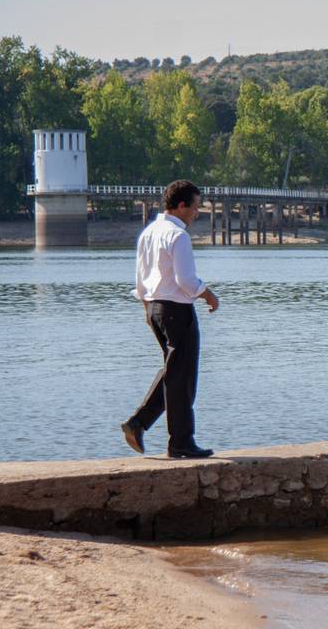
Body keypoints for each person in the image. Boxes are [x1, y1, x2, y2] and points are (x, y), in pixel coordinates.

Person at [121, 180, 219, 458]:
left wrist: (146, 311)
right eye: (196, 207)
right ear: (181, 206)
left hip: (154, 309)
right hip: (177, 310)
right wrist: (208, 293)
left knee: (174, 372)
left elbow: (140, 280)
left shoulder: (149, 233)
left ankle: (138, 423)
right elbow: (185, 280)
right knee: (183, 377)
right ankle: (181, 443)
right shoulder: (178, 236)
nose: (197, 213)